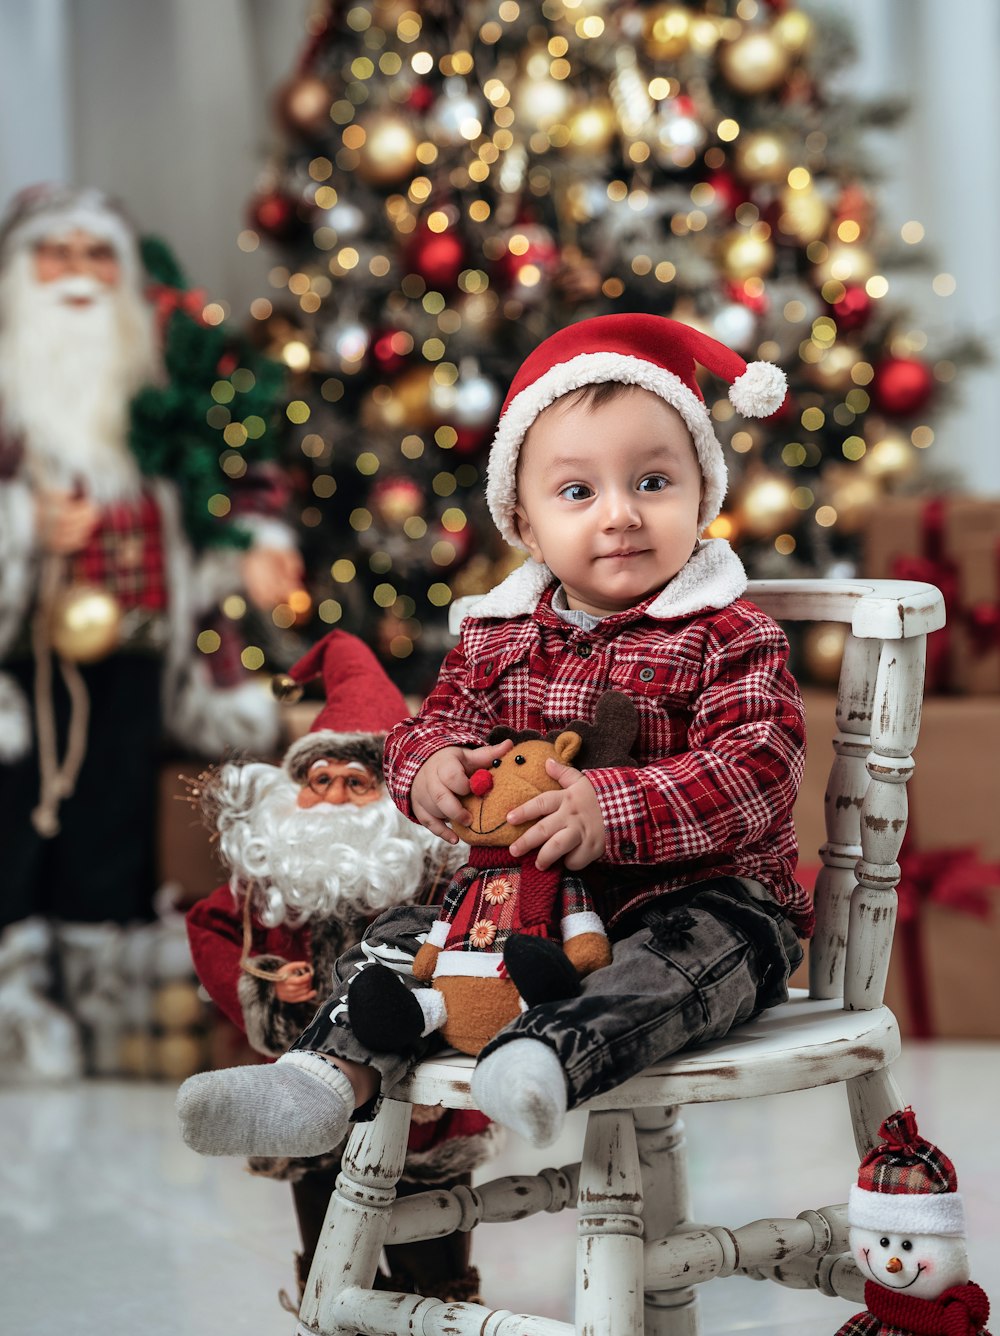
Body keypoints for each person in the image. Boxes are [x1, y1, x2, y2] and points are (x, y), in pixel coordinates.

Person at [176, 313, 811, 1159]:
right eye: (578, 492)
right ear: (525, 519)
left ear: (703, 491)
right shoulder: (498, 636)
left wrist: (611, 809)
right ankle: (324, 1076)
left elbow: (756, 770)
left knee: (686, 958)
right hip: (519, 916)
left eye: (653, 482)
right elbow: (431, 724)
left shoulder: (729, 633)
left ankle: (547, 1055)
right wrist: (426, 767)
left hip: (700, 900)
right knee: (399, 937)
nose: (620, 515)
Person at [0, 184, 301, 1077]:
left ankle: (102, 1007)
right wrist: (19, 523)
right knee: (14, 824)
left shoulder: (166, 384)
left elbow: (236, 480)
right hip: (19, 663)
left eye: (100, 257)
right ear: (21, 269)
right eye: (59, 254)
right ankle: (16, 1000)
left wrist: (253, 546)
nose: (80, 276)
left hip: (137, 648)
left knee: (113, 819)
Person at [187, 629, 494, 1305]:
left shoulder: (435, 870)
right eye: (316, 781)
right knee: (328, 1239)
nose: (330, 799)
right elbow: (210, 929)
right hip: (307, 1080)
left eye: (354, 783)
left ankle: (439, 1300)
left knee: (431, 1234)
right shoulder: (268, 882)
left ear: (391, 797)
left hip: (420, 1095)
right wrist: (262, 985)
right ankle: (330, 1306)